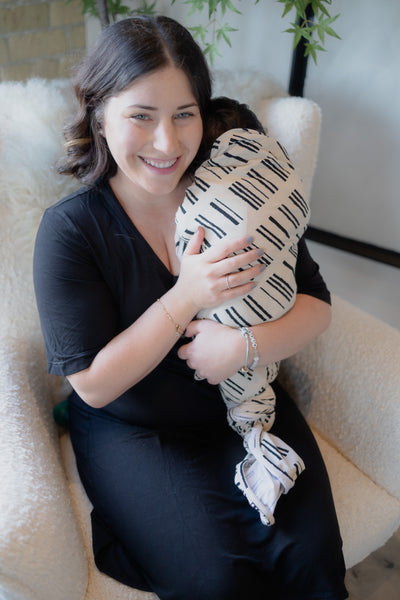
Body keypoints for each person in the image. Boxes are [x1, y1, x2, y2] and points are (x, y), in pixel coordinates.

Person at [33, 15, 348, 600]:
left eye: (184, 114)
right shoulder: (71, 230)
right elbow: (93, 385)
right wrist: (187, 296)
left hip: (247, 407)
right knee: (218, 581)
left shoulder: (234, 190)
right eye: (141, 116)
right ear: (100, 115)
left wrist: (244, 345)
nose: (167, 143)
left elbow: (317, 304)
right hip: (136, 429)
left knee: (314, 566)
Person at [175, 97, 310, 526]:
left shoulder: (213, 212)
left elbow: (320, 307)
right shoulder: (279, 197)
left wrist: (242, 346)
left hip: (254, 359)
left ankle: (257, 437)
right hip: (199, 412)